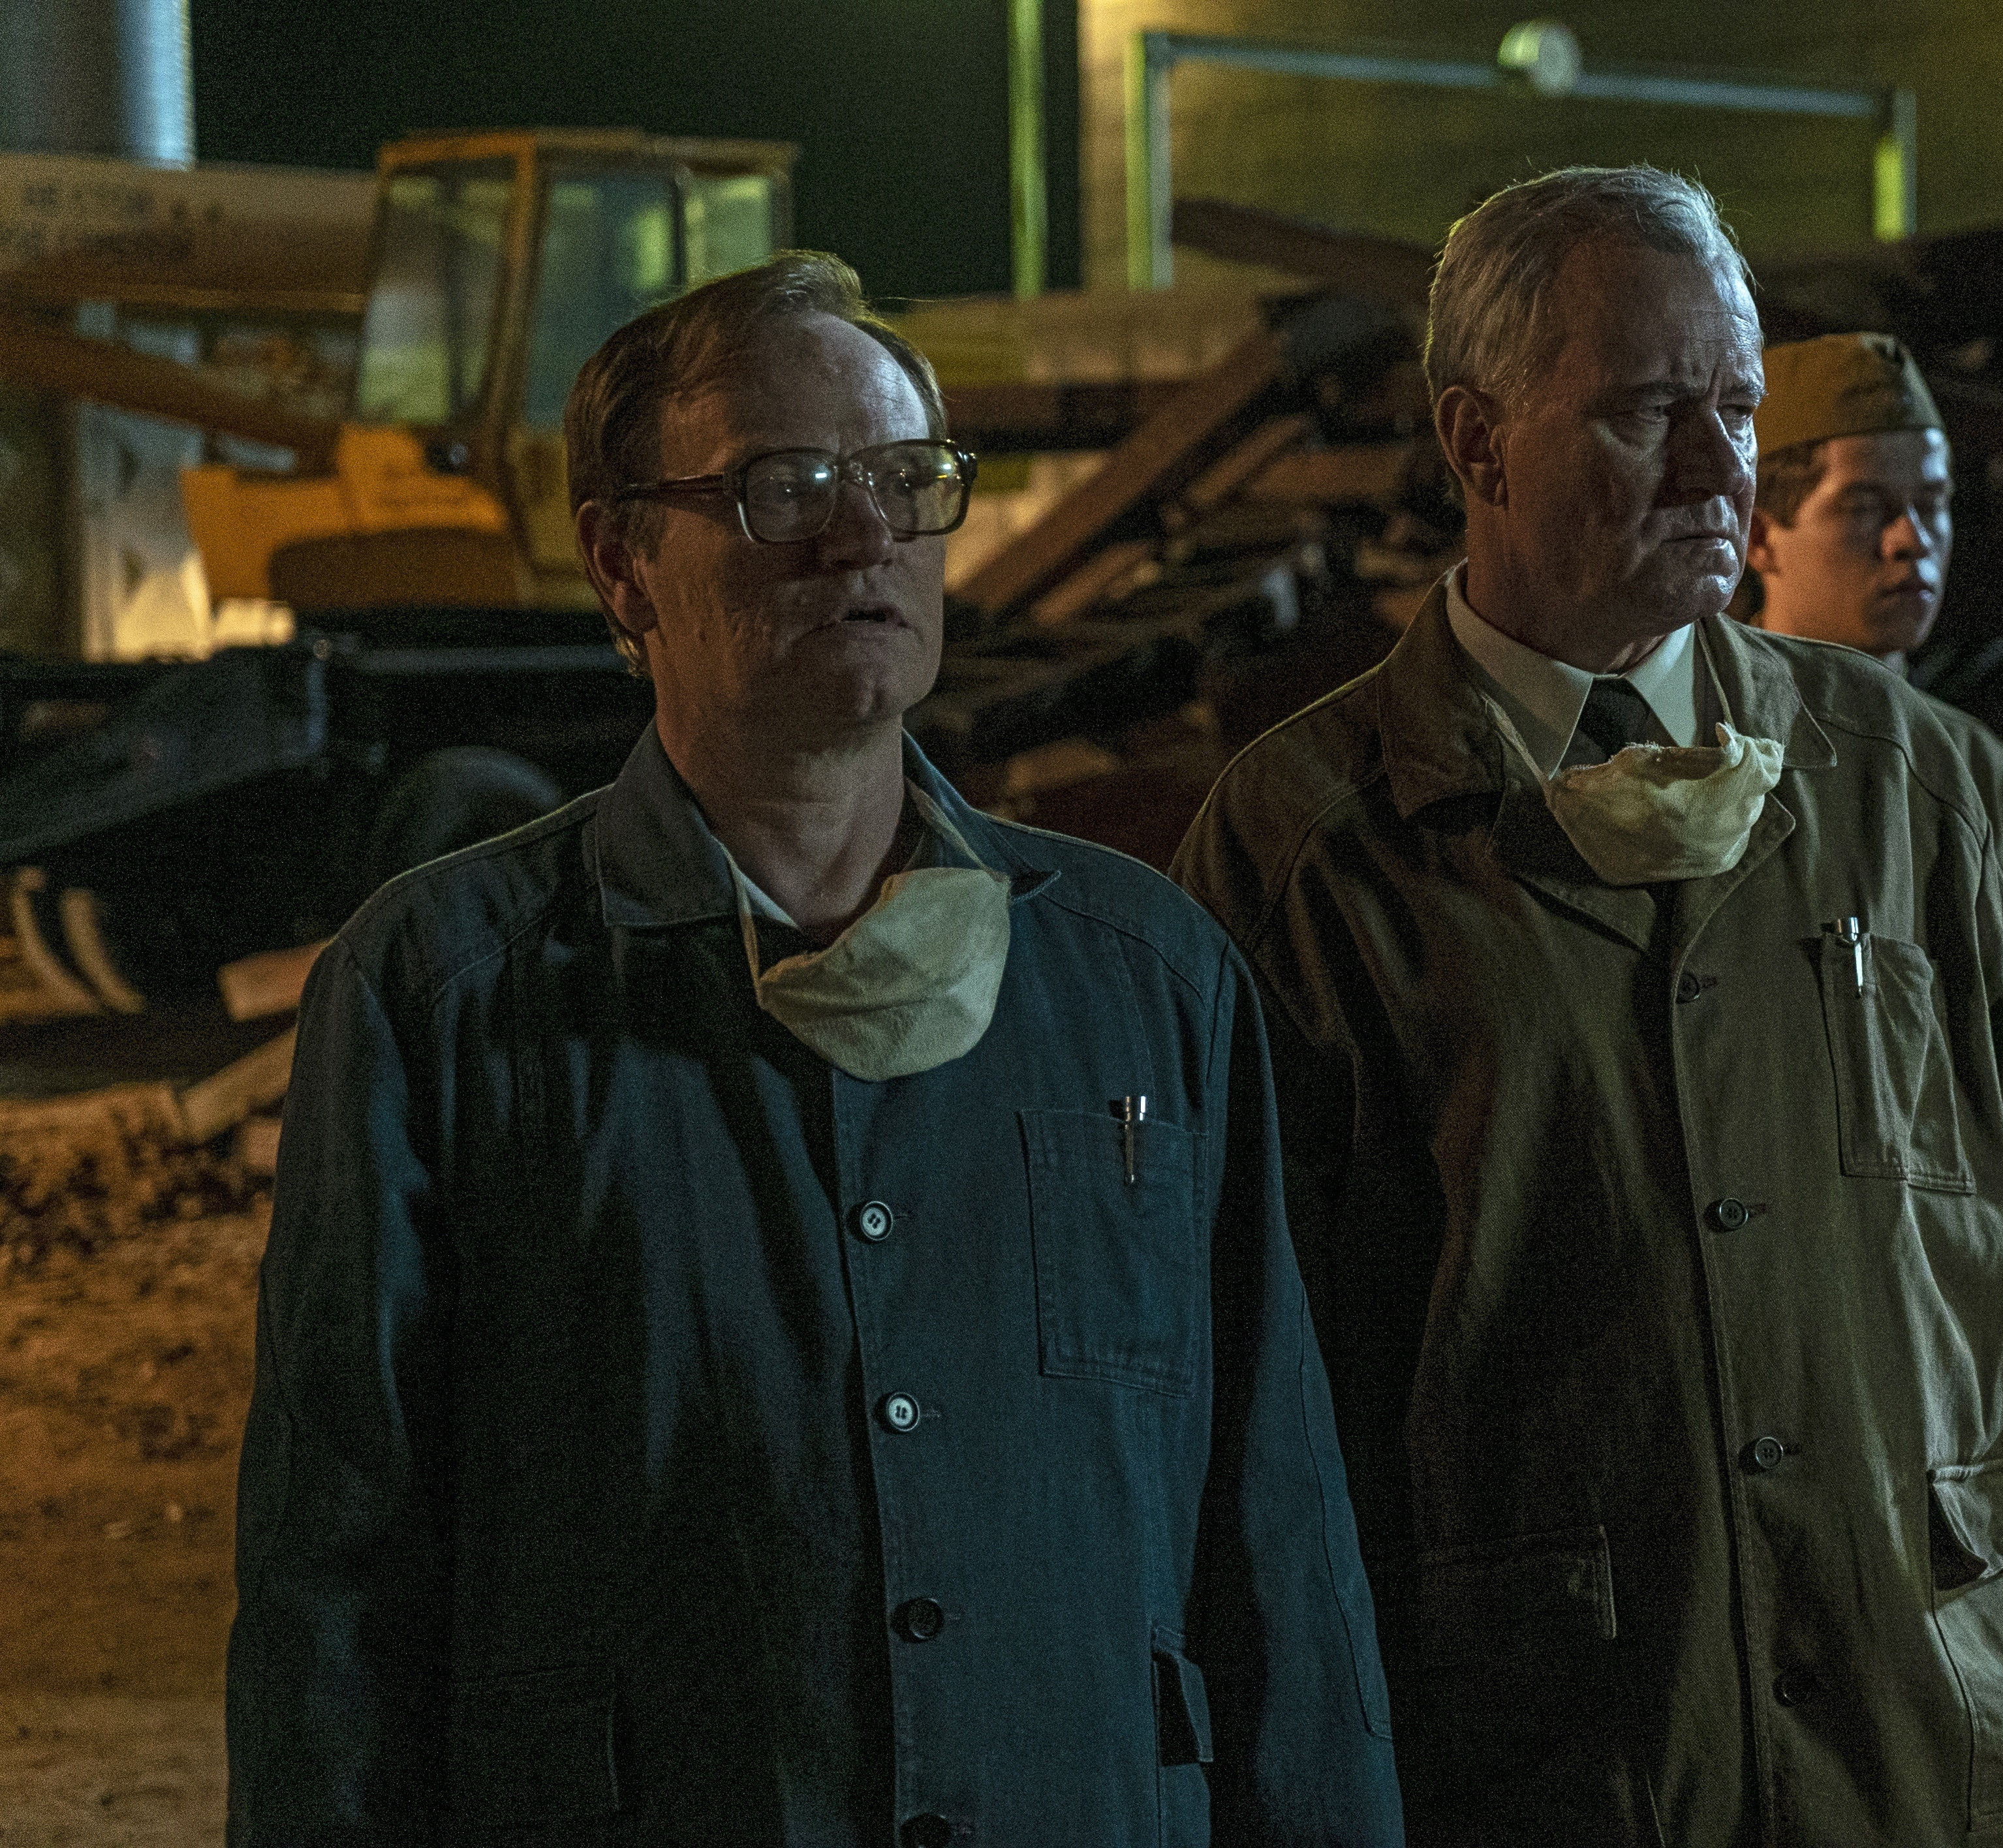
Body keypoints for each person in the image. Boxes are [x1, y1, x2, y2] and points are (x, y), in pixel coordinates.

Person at [228, 253, 1401, 1848]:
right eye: (786, 488)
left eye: (906, 481)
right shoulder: (446, 997)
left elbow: (1276, 1533)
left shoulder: (1140, 978)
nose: (864, 535)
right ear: (622, 566)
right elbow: (335, 1586)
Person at [1171, 167, 2003, 1848]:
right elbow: (1245, 1380)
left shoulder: (1907, 786)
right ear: (1475, 442)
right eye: (1645, 412)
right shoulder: (1308, 838)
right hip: (1564, 1755)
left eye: (1732, 410)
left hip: (1929, 1729)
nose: (1712, 467)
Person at [1748, 333, 2003, 937]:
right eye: (1864, 508)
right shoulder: (1705, 740)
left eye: (1932, 503)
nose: (1911, 540)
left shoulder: (1977, 775)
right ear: (1760, 539)